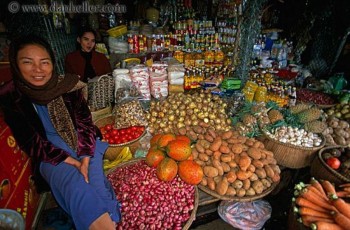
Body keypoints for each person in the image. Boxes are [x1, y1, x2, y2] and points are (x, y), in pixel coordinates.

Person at [0, 34, 121, 230]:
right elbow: (30, 141)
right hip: (50, 155)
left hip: (82, 145)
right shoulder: (11, 95)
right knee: (77, 184)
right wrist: (71, 161)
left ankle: (112, 219)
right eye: (28, 62)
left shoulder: (68, 85)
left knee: (96, 181)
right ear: (16, 64)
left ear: (52, 64)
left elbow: (85, 126)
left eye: (44, 62)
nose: (38, 70)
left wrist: (84, 158)